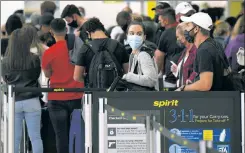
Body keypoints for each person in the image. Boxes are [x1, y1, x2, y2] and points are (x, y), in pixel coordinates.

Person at [41, 18, 84, 153]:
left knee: (61, 136)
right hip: (77, 96)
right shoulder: (77, 50)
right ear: (66, 30)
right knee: (78, 134)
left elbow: (47, 75)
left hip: (56, 98)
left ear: (51, 32)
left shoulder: (48, 52)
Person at [2, 27, 43, 153]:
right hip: (32, 100)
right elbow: (37, 76)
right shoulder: (34, 59)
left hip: (14, 101)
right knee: (35, 137)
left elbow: (6, 80)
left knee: (14, 138)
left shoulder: (5, 62)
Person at [177, 12, 226, 91]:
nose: (186, 30)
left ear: (196, 29)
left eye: (188, 25)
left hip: (211, 101)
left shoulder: (204, 50)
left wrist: (184, 88)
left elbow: (205, 84)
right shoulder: (215, 44)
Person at [73, 17, 129, 85]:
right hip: (116, 92)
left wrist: (90, 80)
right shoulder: (119, 46)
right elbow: (127, 73)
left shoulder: (85, 48)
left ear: (88, 33)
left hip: (94, 93)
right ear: (103, 30)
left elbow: (76, 77)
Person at [122, 22, 159, 90]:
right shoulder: (133, 53)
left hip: (145, 98)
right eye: (131, 33)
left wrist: (128, 77)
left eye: (139, 34)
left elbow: (151, 80)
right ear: (127, 36)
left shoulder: (143, 55)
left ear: (144, 37)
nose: (135, 36)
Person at [154, 8, 183, 88]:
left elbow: (159, 56)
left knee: (169, 100)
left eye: (160, 21)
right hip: (186, 76)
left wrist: (156, 73)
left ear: (166, 21)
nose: (159, 22)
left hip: (171, 78)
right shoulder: (184, 29)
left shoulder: (166, 34)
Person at [171, 22, 197, 87]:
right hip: (182, 89)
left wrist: (190, 79)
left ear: (184, 35)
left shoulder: (196, 51)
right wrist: (177, 70)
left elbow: (198, 70)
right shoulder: (185, 51)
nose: (177, 39)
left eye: (178, 37)